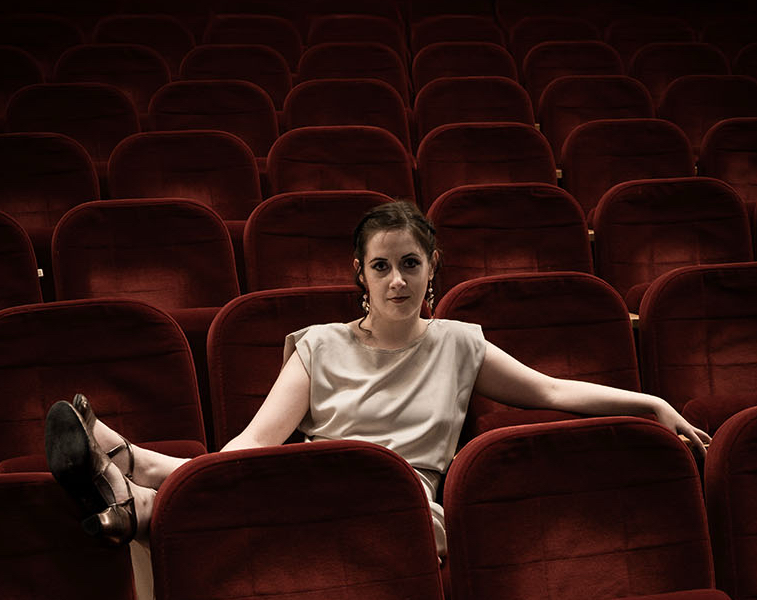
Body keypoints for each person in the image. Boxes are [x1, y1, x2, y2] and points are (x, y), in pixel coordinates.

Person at [44, 197, 712, 548]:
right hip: (312, 484)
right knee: (271, 470)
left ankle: (134, 474)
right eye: (382, 266)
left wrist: (651, 404)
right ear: (359, 275)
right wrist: (212, 472)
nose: (397, 280)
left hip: (404, 507)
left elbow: (552, 390)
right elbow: (252, 444)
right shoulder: (319, 345)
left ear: (432, 269)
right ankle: (135, 481)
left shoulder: (460, 345)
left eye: (410, 264)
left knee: (303, 485)